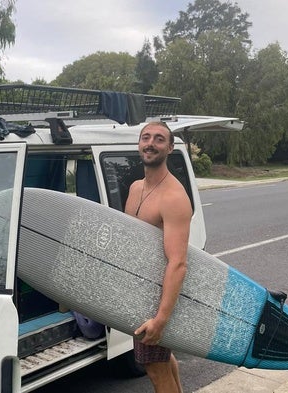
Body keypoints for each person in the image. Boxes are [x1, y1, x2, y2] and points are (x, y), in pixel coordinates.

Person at [124, 121, 192, 393]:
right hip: (139, 296)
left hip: (158, 299)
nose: (151, 143)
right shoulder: (135, 188)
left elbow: (178, 263)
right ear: (139, 143)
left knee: (154, 368)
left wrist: (161, 318)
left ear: (170, 148)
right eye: (146, 137)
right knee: (163, 361)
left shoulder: (173, 196)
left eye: (159, 139)